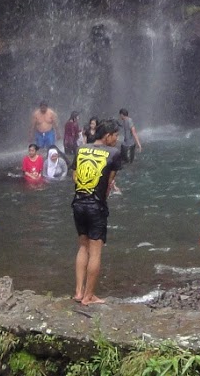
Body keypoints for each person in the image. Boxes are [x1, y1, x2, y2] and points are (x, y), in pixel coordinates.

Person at [71, 118, 126, 306]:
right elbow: (110, 183)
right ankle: (89, 296)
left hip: (78, 203)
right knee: (95, 251)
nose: (117, 139)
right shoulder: (114, 153)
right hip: (96, 206)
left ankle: (78, 292)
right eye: (116, 135)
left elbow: (75, 176)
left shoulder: (81, 149)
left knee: (82, 246)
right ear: (108, 135)